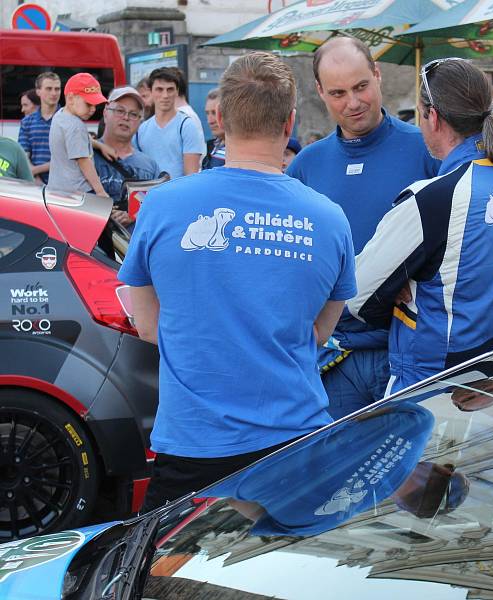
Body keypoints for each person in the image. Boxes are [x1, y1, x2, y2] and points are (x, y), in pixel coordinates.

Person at [119, 51, 357, 512]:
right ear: (290, 122)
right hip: (294, 441)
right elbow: (321, 331)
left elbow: (148, 326)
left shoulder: (163, 206)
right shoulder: (329, 219)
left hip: (194, 444)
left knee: (172, 581)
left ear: (221, 120)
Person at [346, 57, 493, 394]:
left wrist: (406, 294)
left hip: (432, 385)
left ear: (432, 117)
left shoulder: (434, 197)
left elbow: (357, 295)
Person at [286, 36, 439, 418]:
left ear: (377, 74)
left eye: (360, 87)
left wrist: (422, 278)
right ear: (320, 92)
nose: (353, 103)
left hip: (409, 353)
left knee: (413, 474)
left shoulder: (427, 149)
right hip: (331, 359)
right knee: (339, 473)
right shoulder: (307, 164)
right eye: (338, 93)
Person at [93, 86, 160, 225]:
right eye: (120, 111)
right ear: (106, 112)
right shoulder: (85, 157)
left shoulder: (149, 166)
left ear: (140, 121)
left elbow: (158, 210)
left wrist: (134, 215)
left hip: (131, 245)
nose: (126, 117)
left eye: (134, 114)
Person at [134, 67, 205, 180]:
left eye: (170, 89)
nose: (165, 95)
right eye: (159, 89)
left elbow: (191, 177)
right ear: (151, 91)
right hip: (149, 195)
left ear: (177, 91)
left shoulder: (186, 126)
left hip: (178, 195)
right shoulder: (141, 129)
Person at [47, 73, 108, 196]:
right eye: (88, 104)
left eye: (95, 105)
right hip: (79, 193)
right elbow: (83, 160)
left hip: (57, 189)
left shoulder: (59, 116)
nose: (93, 109)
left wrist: (100, 146)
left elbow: (73, 142)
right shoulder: (76, 126)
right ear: (70, 99)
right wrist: (100, 191)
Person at [18, 72, 61, 184]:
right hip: (35, 187)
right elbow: (23, 155)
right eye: (49, 89)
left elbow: (67, 159)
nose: (54, 93)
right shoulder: (27, 122)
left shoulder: (68, 120)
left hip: (63, 186)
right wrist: (36, 180)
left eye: (57, 89)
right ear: (38, 91)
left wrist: (33, 171)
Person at [202, 88, 226, 170]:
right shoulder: (212, 146)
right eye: (207, 113)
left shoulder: (238, 153)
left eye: (214, 113)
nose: (210, 121)